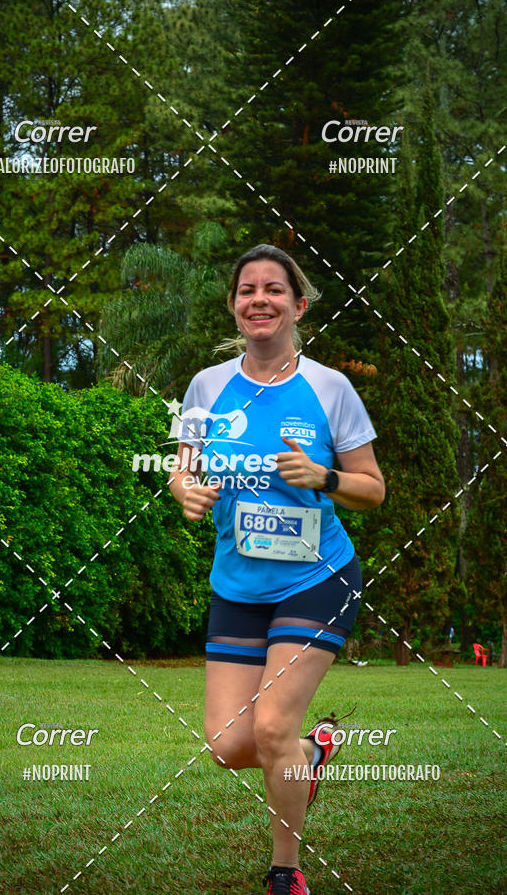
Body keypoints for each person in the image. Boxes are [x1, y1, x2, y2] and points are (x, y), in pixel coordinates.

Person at [168, 244, 385, 895]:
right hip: (238, 584)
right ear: (234, 307)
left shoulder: (329, 388)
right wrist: (184, 490)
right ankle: (315, 754)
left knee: (270, 729)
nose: (258, 300)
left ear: (299, 305)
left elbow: (373, 487)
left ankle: (284, 872)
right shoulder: (207, 387)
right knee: (230, 746)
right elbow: (185, 468)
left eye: (273, 290)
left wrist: (323, 476)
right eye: (246, 290)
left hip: (317, 577)